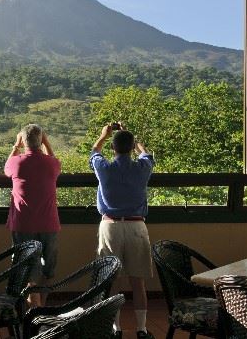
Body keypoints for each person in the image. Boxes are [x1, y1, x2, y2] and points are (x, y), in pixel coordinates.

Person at [90, 123, 155, 339]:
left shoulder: (105, 169)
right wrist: (135, 141)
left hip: (111, 226)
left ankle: (115, 328)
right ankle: (142, 329)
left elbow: (94, 153)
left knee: (112, 281)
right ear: (130, 148)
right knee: (138, 282)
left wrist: (103, 135)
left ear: (113, 149)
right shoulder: (142, 168)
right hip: (137, 225)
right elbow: (146, 154)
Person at [5, 124, 61, 307]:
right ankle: (40, 310)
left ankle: (33, 312)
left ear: (23, 141)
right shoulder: (51, 164)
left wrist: (15, 145)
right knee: (47, 270)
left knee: (27, 269)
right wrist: (47, 143)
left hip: (23, 224)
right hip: (49, 224)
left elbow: (6, 169)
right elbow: (55, 162)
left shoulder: (16, 162)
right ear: (41, 140)